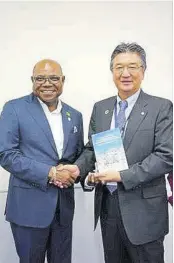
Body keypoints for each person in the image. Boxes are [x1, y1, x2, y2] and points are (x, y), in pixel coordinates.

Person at [61, 42, 173, 263]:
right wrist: (78, 168)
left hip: (144, 212)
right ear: (112, 71)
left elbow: (165, 156)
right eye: (119, 67)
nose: (125, 73)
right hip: (108, 207)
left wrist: (121, 175)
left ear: (143, 70)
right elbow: (91, 149)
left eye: (132, 66)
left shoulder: (161, 107)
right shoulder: (100, 108)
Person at [0, 59, 84, 263]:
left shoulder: (75, 115)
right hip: (29, 209)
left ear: (63, 80)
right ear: (32, 80)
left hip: (63, 210)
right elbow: (6, 154)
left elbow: (79, 155)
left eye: (54, 78)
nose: (47, 83)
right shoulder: (14, 109)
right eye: (40, 78)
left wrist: (78, 171)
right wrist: (50, 172)